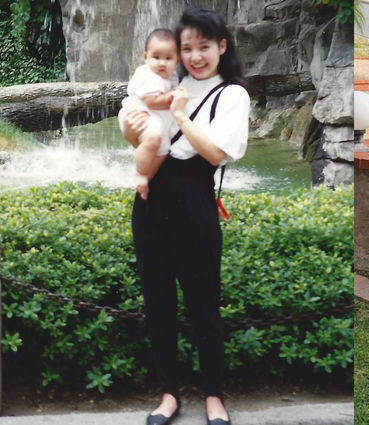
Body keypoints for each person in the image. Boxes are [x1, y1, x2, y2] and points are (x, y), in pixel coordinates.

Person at [121, 7, 249, 425]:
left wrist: (178, 115)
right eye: (187, 48)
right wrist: (129, 130)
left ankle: (214, 395)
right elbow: (140, 134)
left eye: (204, 47)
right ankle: (168, 395)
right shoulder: (166, 83)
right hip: (150, 203)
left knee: (203, 304)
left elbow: (215, 152)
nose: (195, 56)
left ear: (222, 47)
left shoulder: (230, 94)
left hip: (195, 204)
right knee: (158, 303)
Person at [118, 28, 180, 200]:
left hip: (157, 120)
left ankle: (146, 180)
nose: (162, 63)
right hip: (140, 114)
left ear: (177, 60)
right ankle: (139, 173)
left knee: (162, 150)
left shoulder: (172, 77)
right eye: (156, 57)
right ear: (145, 57)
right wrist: (173, 96)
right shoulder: (147, 75)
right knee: (153, 139)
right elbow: (152, 101)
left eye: (168, 58)